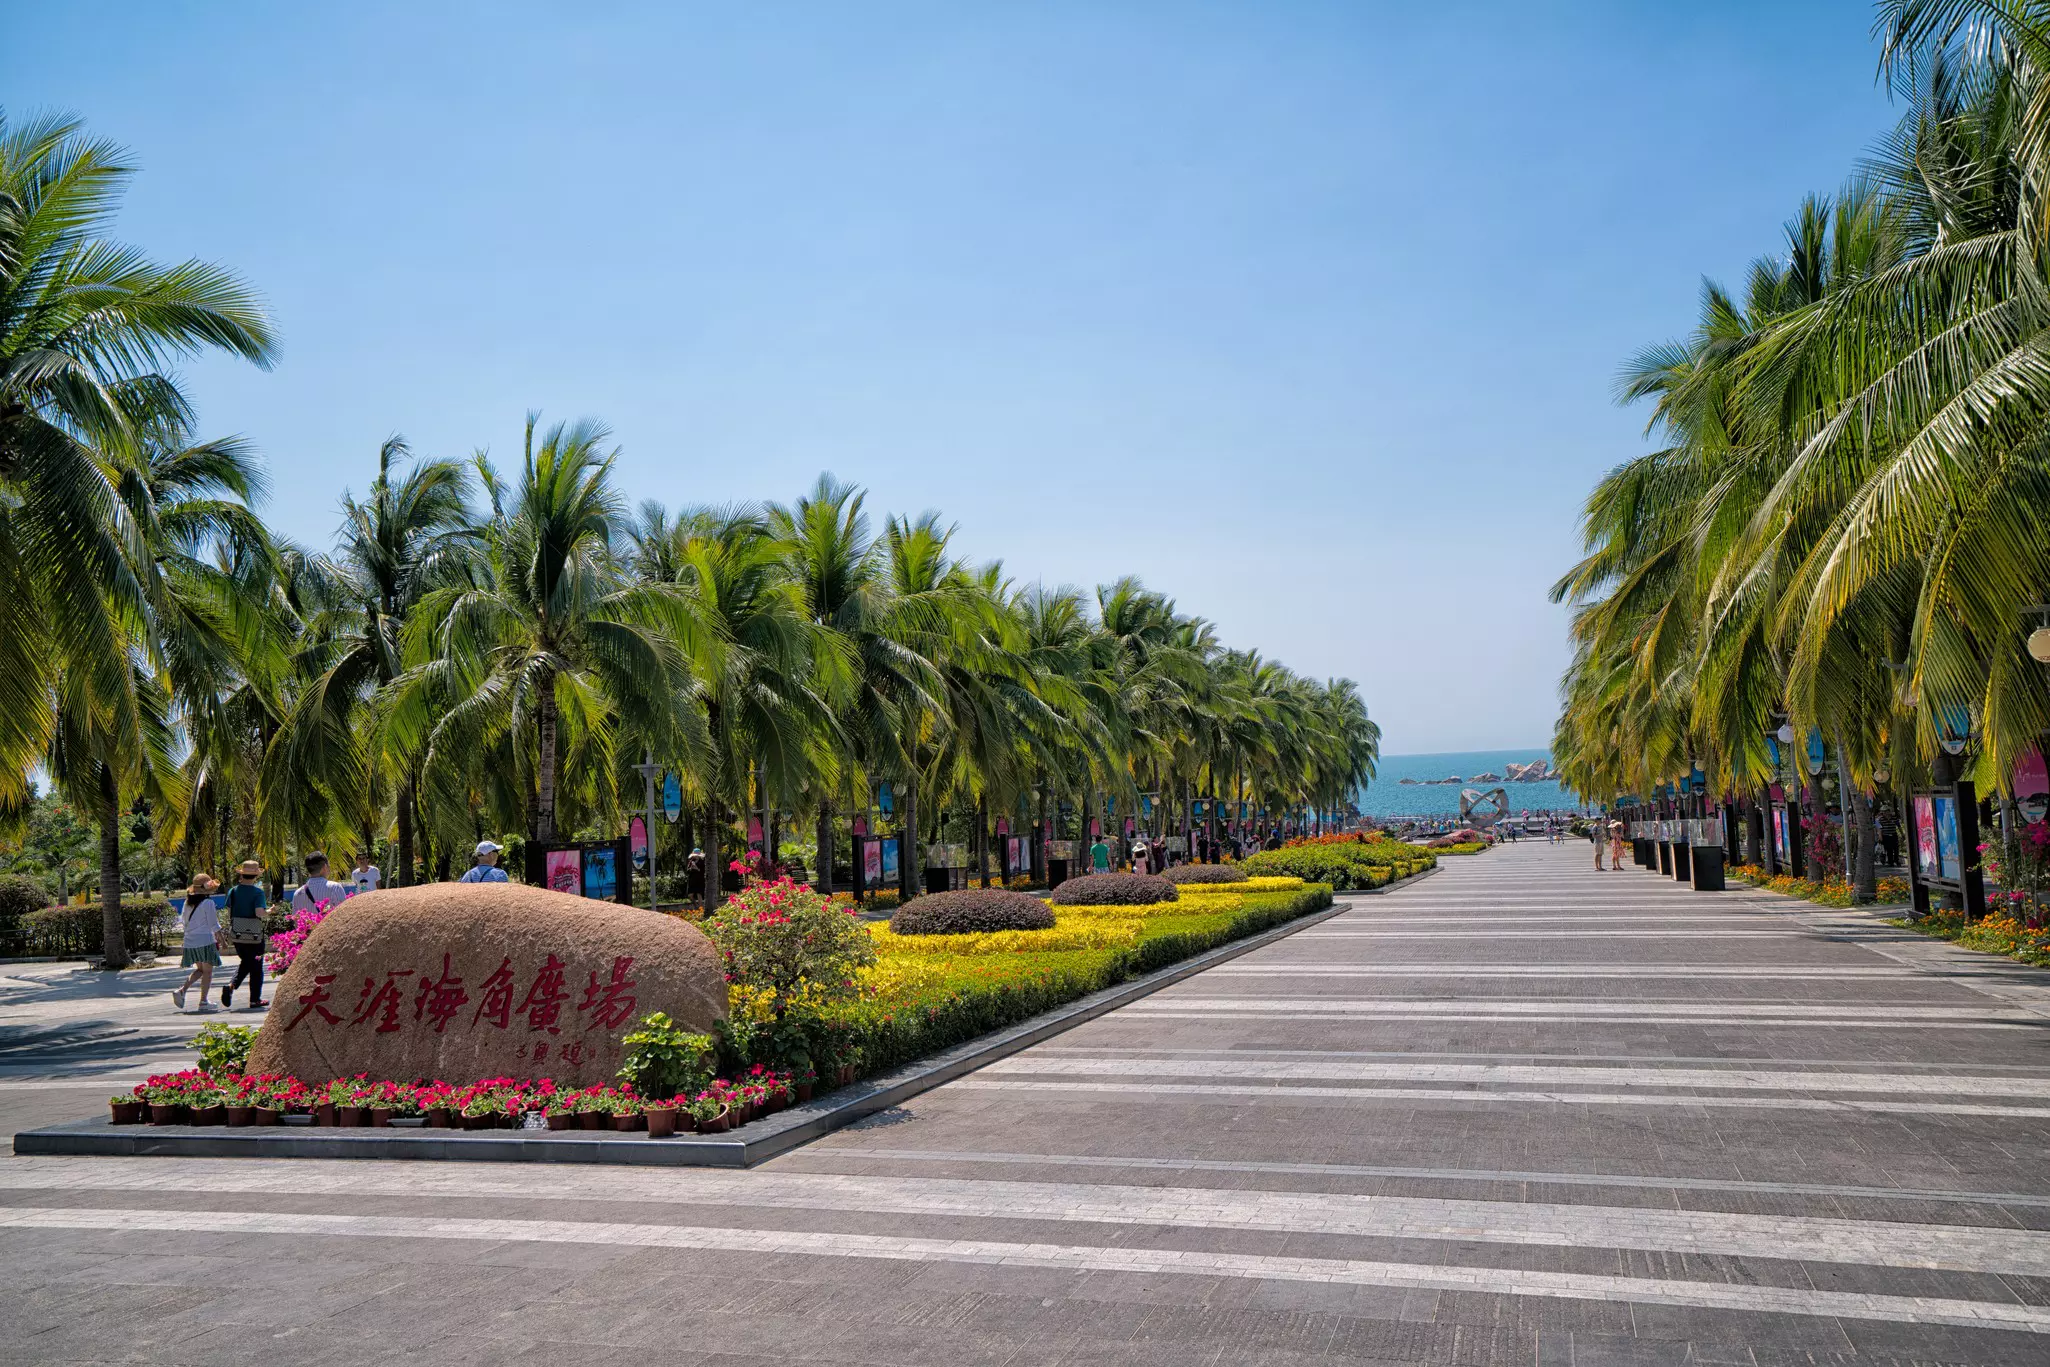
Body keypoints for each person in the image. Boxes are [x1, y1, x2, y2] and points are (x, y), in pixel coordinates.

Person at [220, 861, 270, 1009]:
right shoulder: (258, 893)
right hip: (254, 936)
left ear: (242, 874)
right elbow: (259, 913)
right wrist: (270, 912)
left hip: (237, 934)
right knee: (256, 965)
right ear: (256, 876)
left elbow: (229, 912)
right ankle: (254, 999)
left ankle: (232, 986)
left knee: (247, 962)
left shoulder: (233, 891)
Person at [171, 876, 224, 1013]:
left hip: (190, 940)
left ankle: (182, 990)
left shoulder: (187, 903)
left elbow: (183, 921)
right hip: (205, 940)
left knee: (201, 970)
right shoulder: (208, 903)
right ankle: (203, 1001)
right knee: (207, 972)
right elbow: (214, 924)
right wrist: (222, 941)